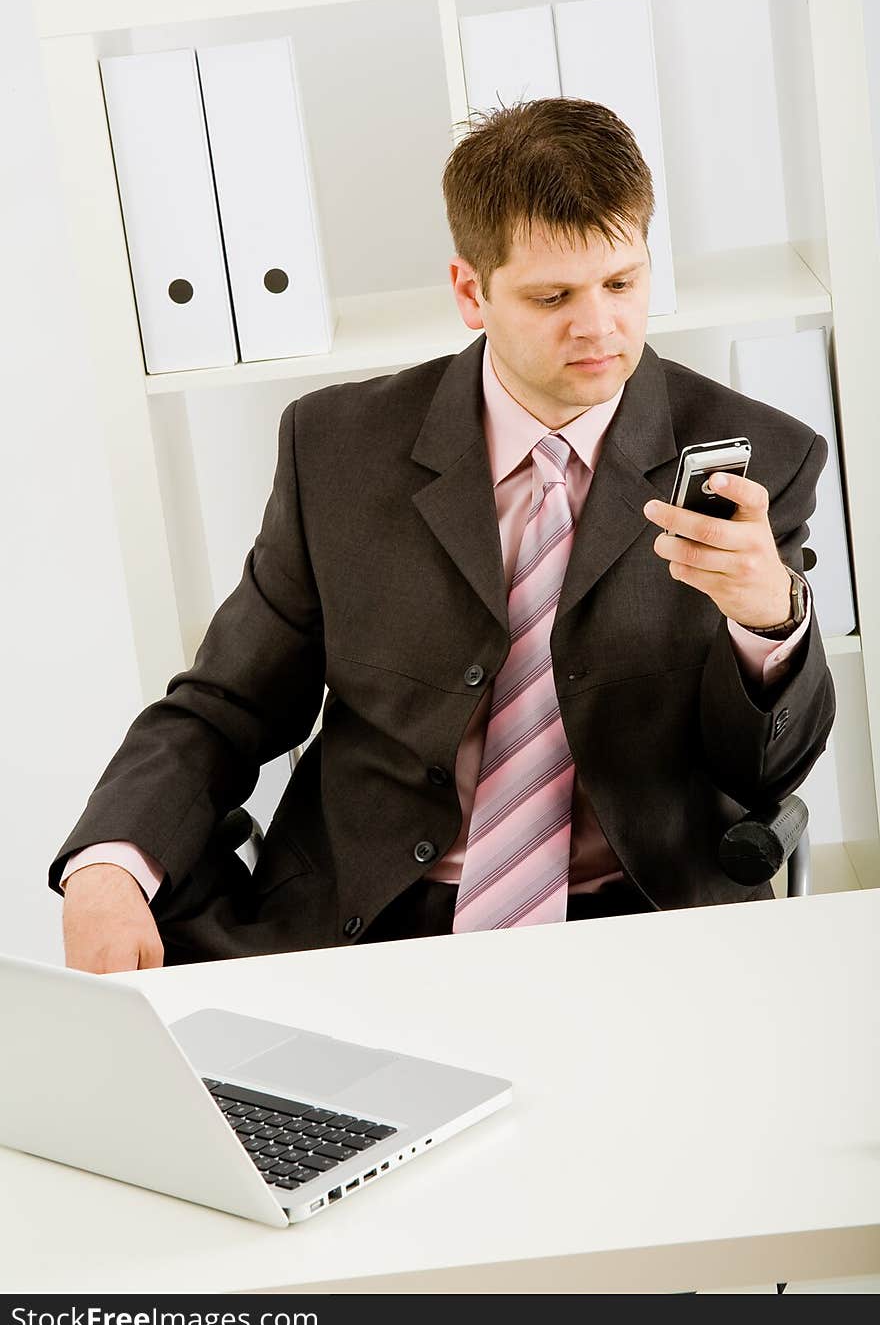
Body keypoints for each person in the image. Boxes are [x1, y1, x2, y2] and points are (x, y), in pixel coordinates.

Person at [51, 99, 835, 973]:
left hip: (634, 914)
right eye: (552, 296)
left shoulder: (767, 454)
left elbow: (766, 773)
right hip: (367, 916)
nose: (599, 327)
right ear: (471, 292)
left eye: (622, 283)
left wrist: (772, 621)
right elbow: (226, 705)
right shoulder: (337, 447)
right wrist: (108, 866)